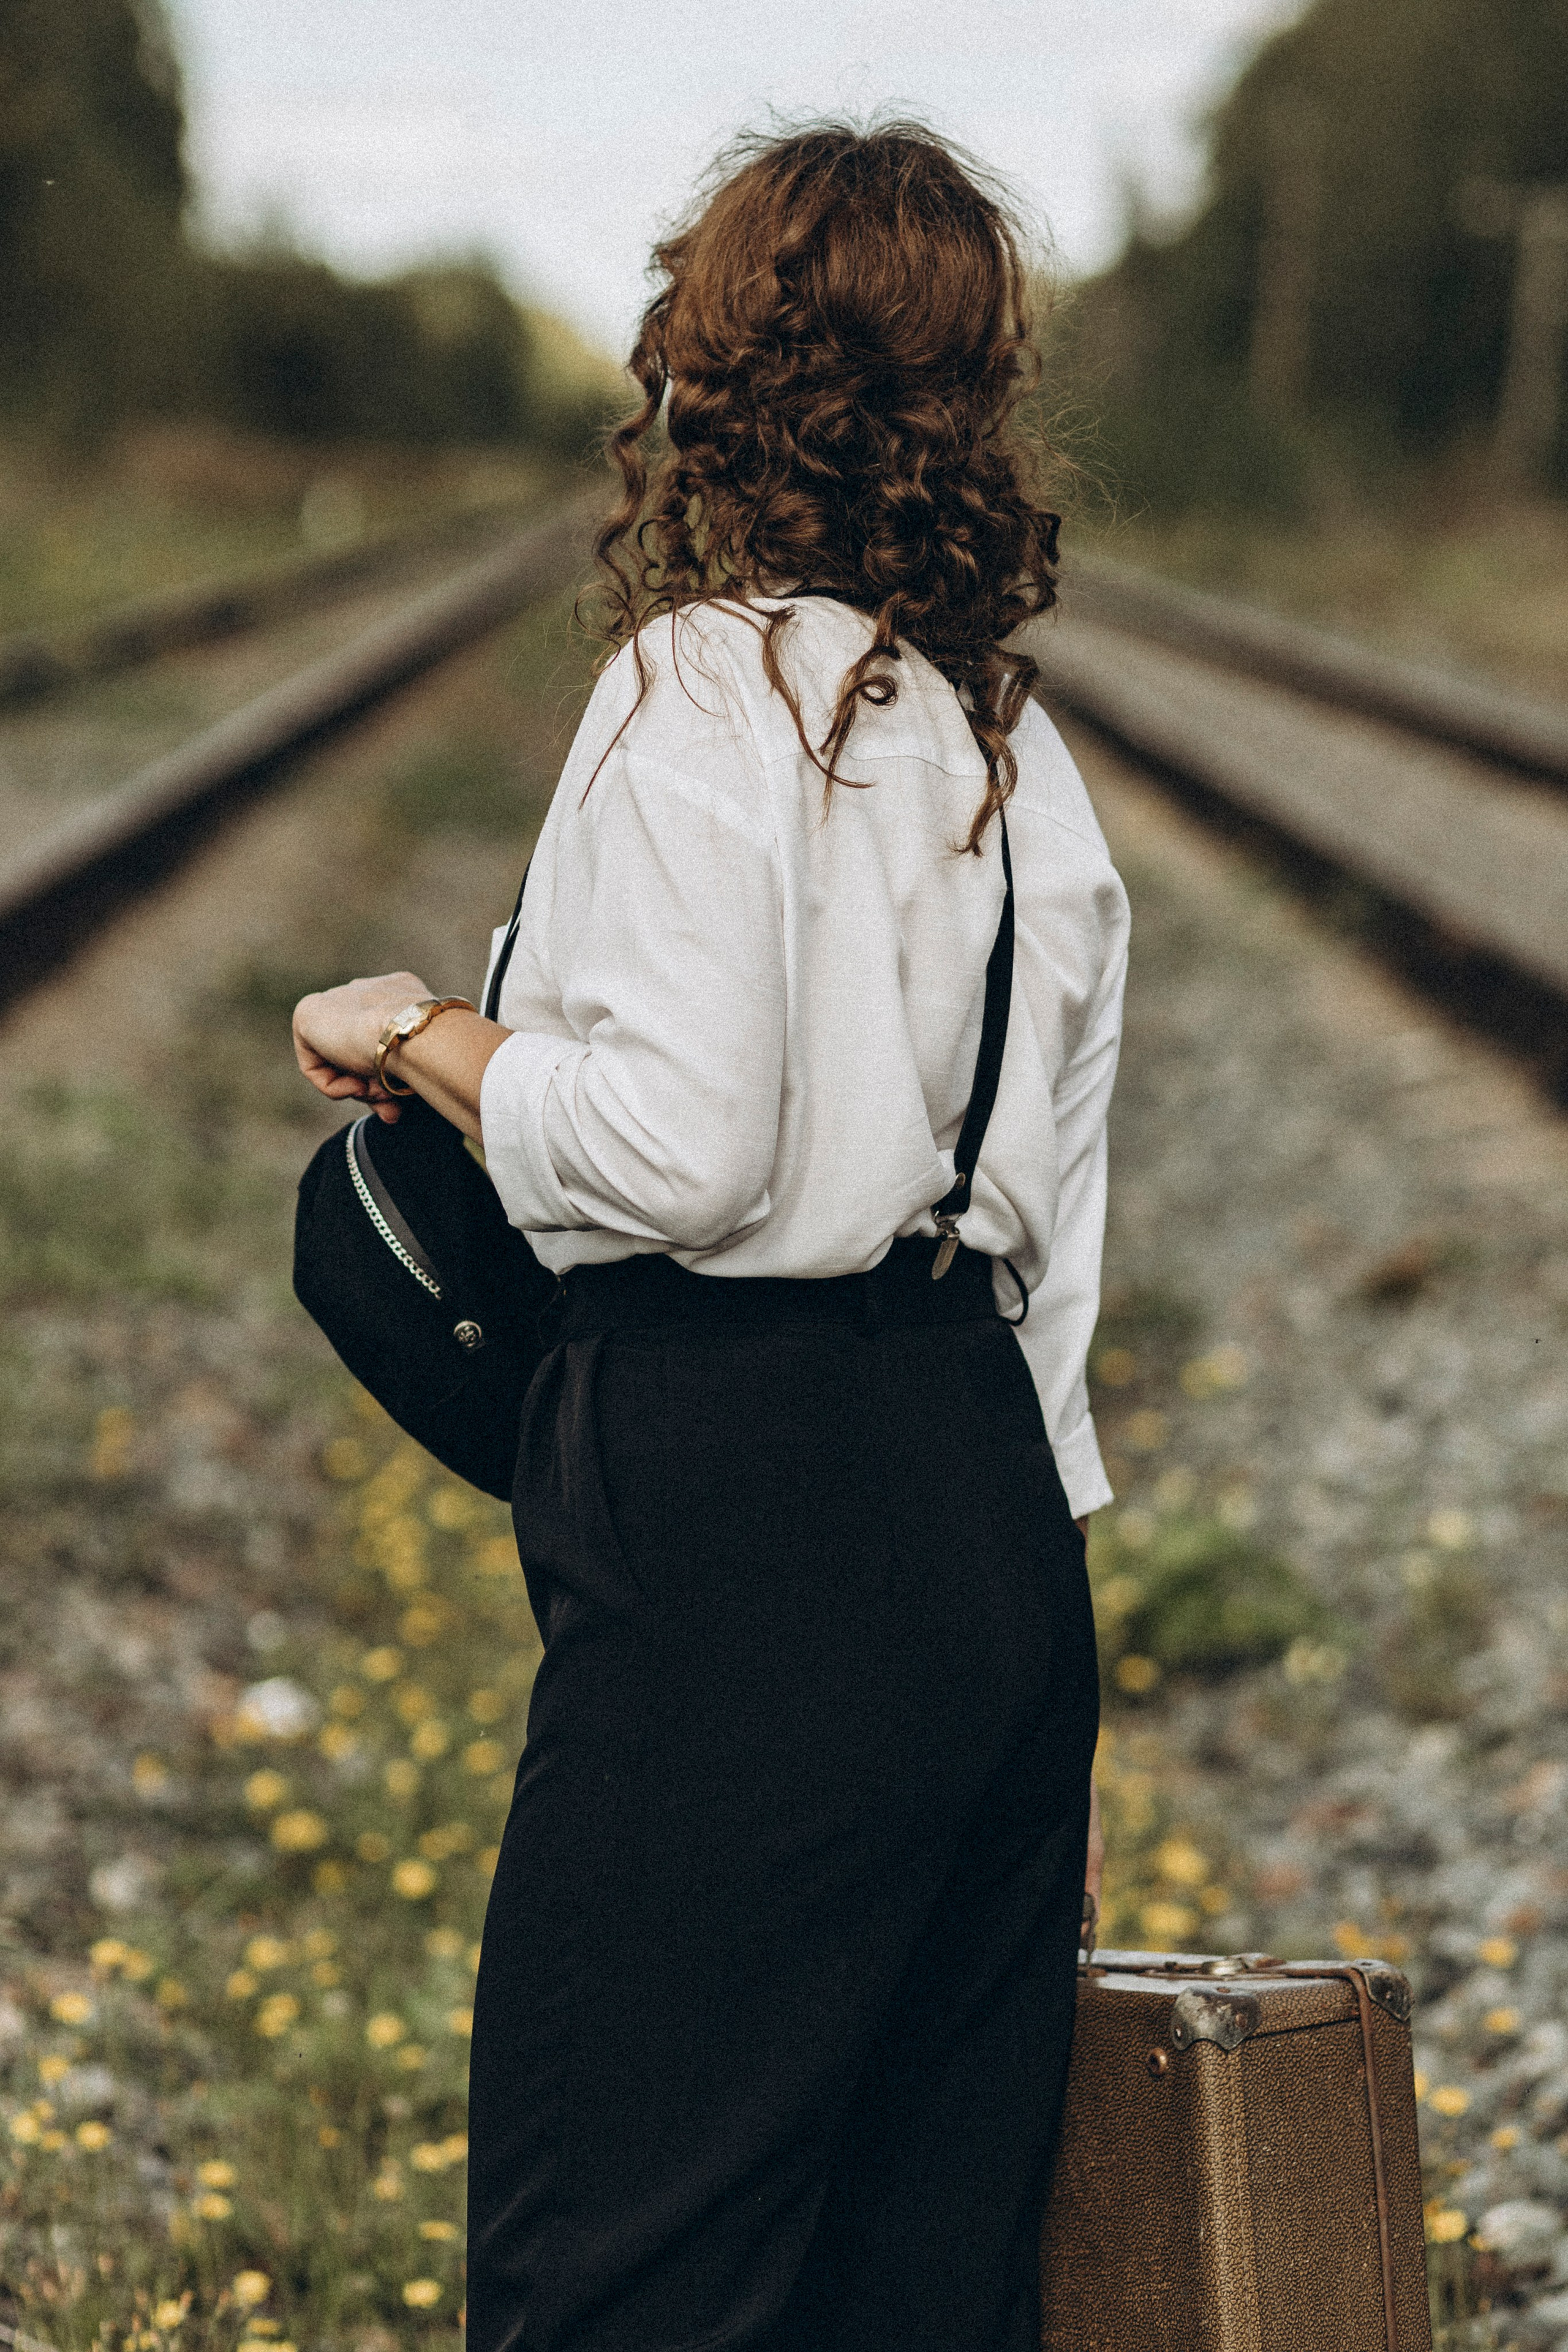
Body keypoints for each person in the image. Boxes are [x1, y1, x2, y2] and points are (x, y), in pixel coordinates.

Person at [292, 121, 1128, 2352]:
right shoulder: (1011, 751)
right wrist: (1015, 1571)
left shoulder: (702, 692)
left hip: (746, 1530)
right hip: (987, 1530)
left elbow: (672, 1156)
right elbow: (1061, 1242)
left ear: (709, 371)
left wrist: (419, 1031)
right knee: (920, 2280)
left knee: (624, 2266)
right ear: (976, 401)